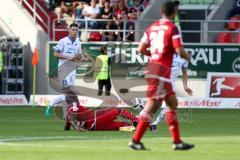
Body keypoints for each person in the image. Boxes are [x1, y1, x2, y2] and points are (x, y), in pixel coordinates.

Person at [129, 0, 194, 150]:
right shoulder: (172, 28)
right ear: (174, 13)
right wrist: (187, 57)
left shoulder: (151, 27)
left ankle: (176, 142)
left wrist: (153, 55)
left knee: (170, 103)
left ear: (161, 12)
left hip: (154, 69)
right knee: (154, 105)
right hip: (161, 72)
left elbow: (140, 48)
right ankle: (136, 139)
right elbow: (179, 50)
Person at [46, 23, 85, 130]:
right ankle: (66, 115)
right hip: (63, 69)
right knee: (68, 93)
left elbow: (78, 56)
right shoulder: (63, 41)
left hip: (72, 70)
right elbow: (55, 54)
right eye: (73, 29)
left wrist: (81, 58)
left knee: (69, 94)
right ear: (69, 30)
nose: (75, 31)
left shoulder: (78, 42)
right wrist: (67, 57)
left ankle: (52, 104)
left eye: (76, 30)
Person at [150, 53, 193, 131]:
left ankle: (154, 124)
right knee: (155, 105)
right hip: (160, 82)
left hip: (171, 85)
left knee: (170, 106)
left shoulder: (184, 57)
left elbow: (184, 73)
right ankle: (139, 121)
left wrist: (185, 86)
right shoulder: (165, 53)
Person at [65, 91, 139, 131]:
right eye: (75, 97)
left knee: (119, 127)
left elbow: (67, 126)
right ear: (71, 99)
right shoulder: (74, 105)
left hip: (95, 128)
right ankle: (137, 120)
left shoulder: (68, 111)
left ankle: (134, 127)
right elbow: (72, 118)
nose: (77, 99)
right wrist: (77, 128)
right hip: (98, 118)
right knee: (116, 110)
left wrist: (71, 127)